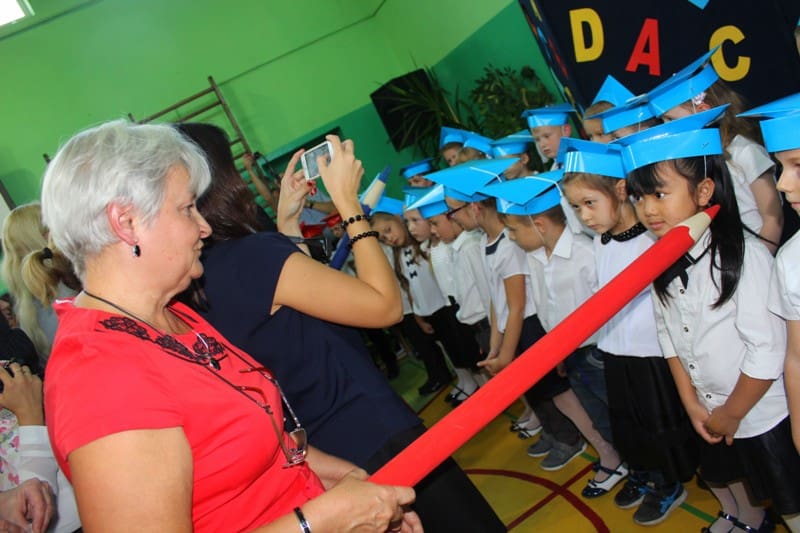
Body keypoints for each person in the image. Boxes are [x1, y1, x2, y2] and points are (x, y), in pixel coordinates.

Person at [40, 120, 421, 532]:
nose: (203, 227)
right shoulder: (99, 374)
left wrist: (356, 487)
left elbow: (268, 448)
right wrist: (326, 518)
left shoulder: (171, 318)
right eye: (186, 209)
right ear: (126, 222)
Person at [177, 123, 505, 532]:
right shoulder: (251, 257)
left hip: (324, 456)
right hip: (373, 428)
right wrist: (350, 205)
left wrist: (287, 225)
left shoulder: (194, 281)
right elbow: (385, 306)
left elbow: (288, 312)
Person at [626, 112, 800, 532]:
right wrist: (691, 403)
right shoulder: (660, 262)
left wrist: (732, 412)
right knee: (747, 487)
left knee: (792, 503)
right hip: (714, 412)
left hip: (762, 415)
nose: (647, 209)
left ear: (704, 190)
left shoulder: (745, 257)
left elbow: (768, 350)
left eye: (659, 194)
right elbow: (669, 338)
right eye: (639, 197)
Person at [562, 139, 698, 526]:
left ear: (620, 190)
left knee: (658, 424)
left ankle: (667, 483)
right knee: (628, 424)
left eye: (590, 203)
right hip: (615, 349)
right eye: (576, 207)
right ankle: (644, 472)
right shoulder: (601, 241)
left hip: (649, 351)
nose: (584, 216)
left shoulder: (649, 239)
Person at [486, 171, 626, 499]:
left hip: (598, 352)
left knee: (618, 411)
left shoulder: (585, 253)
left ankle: (643, 468)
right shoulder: (535, 258)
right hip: (570, 354)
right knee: (597, 413)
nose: (511, 238)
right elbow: (548, 312)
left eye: (514, 231)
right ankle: (621, 460)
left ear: (540, 225)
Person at [747, 93, 800, 459]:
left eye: (798, 165)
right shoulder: (791, 259)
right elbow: (796, 357)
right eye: (780, 167)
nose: (782, 184)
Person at [521, 104, 574, 170]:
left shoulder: (579, 162)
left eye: (547, 136)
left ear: (566, 131)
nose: (542, 144)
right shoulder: (554, 169)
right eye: (537, 139)